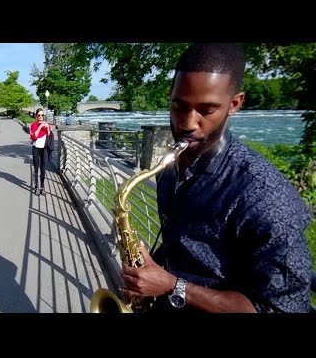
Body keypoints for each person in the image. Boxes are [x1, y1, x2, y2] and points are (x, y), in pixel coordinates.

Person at [120, 43, 313, 313]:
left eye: (206, 110)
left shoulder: (266, 197)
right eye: (179, 106)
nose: (187, 123)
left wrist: (173, 286)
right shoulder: (170, 168)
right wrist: (150, 267)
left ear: (234, 104)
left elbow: (281, 309)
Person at [29, 108, 52, 196]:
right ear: (36, 116)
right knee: (36, 168)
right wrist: (40, 127)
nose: (41, 117)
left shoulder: (47, 125)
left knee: (43, 168)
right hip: (36, 148)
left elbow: (49, 137)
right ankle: (36, 187)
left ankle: (42, 187)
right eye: (39, 115)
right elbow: (34, 137)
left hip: (44, 149)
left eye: (42, 115)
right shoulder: (33, 125)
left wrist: (47, 128)